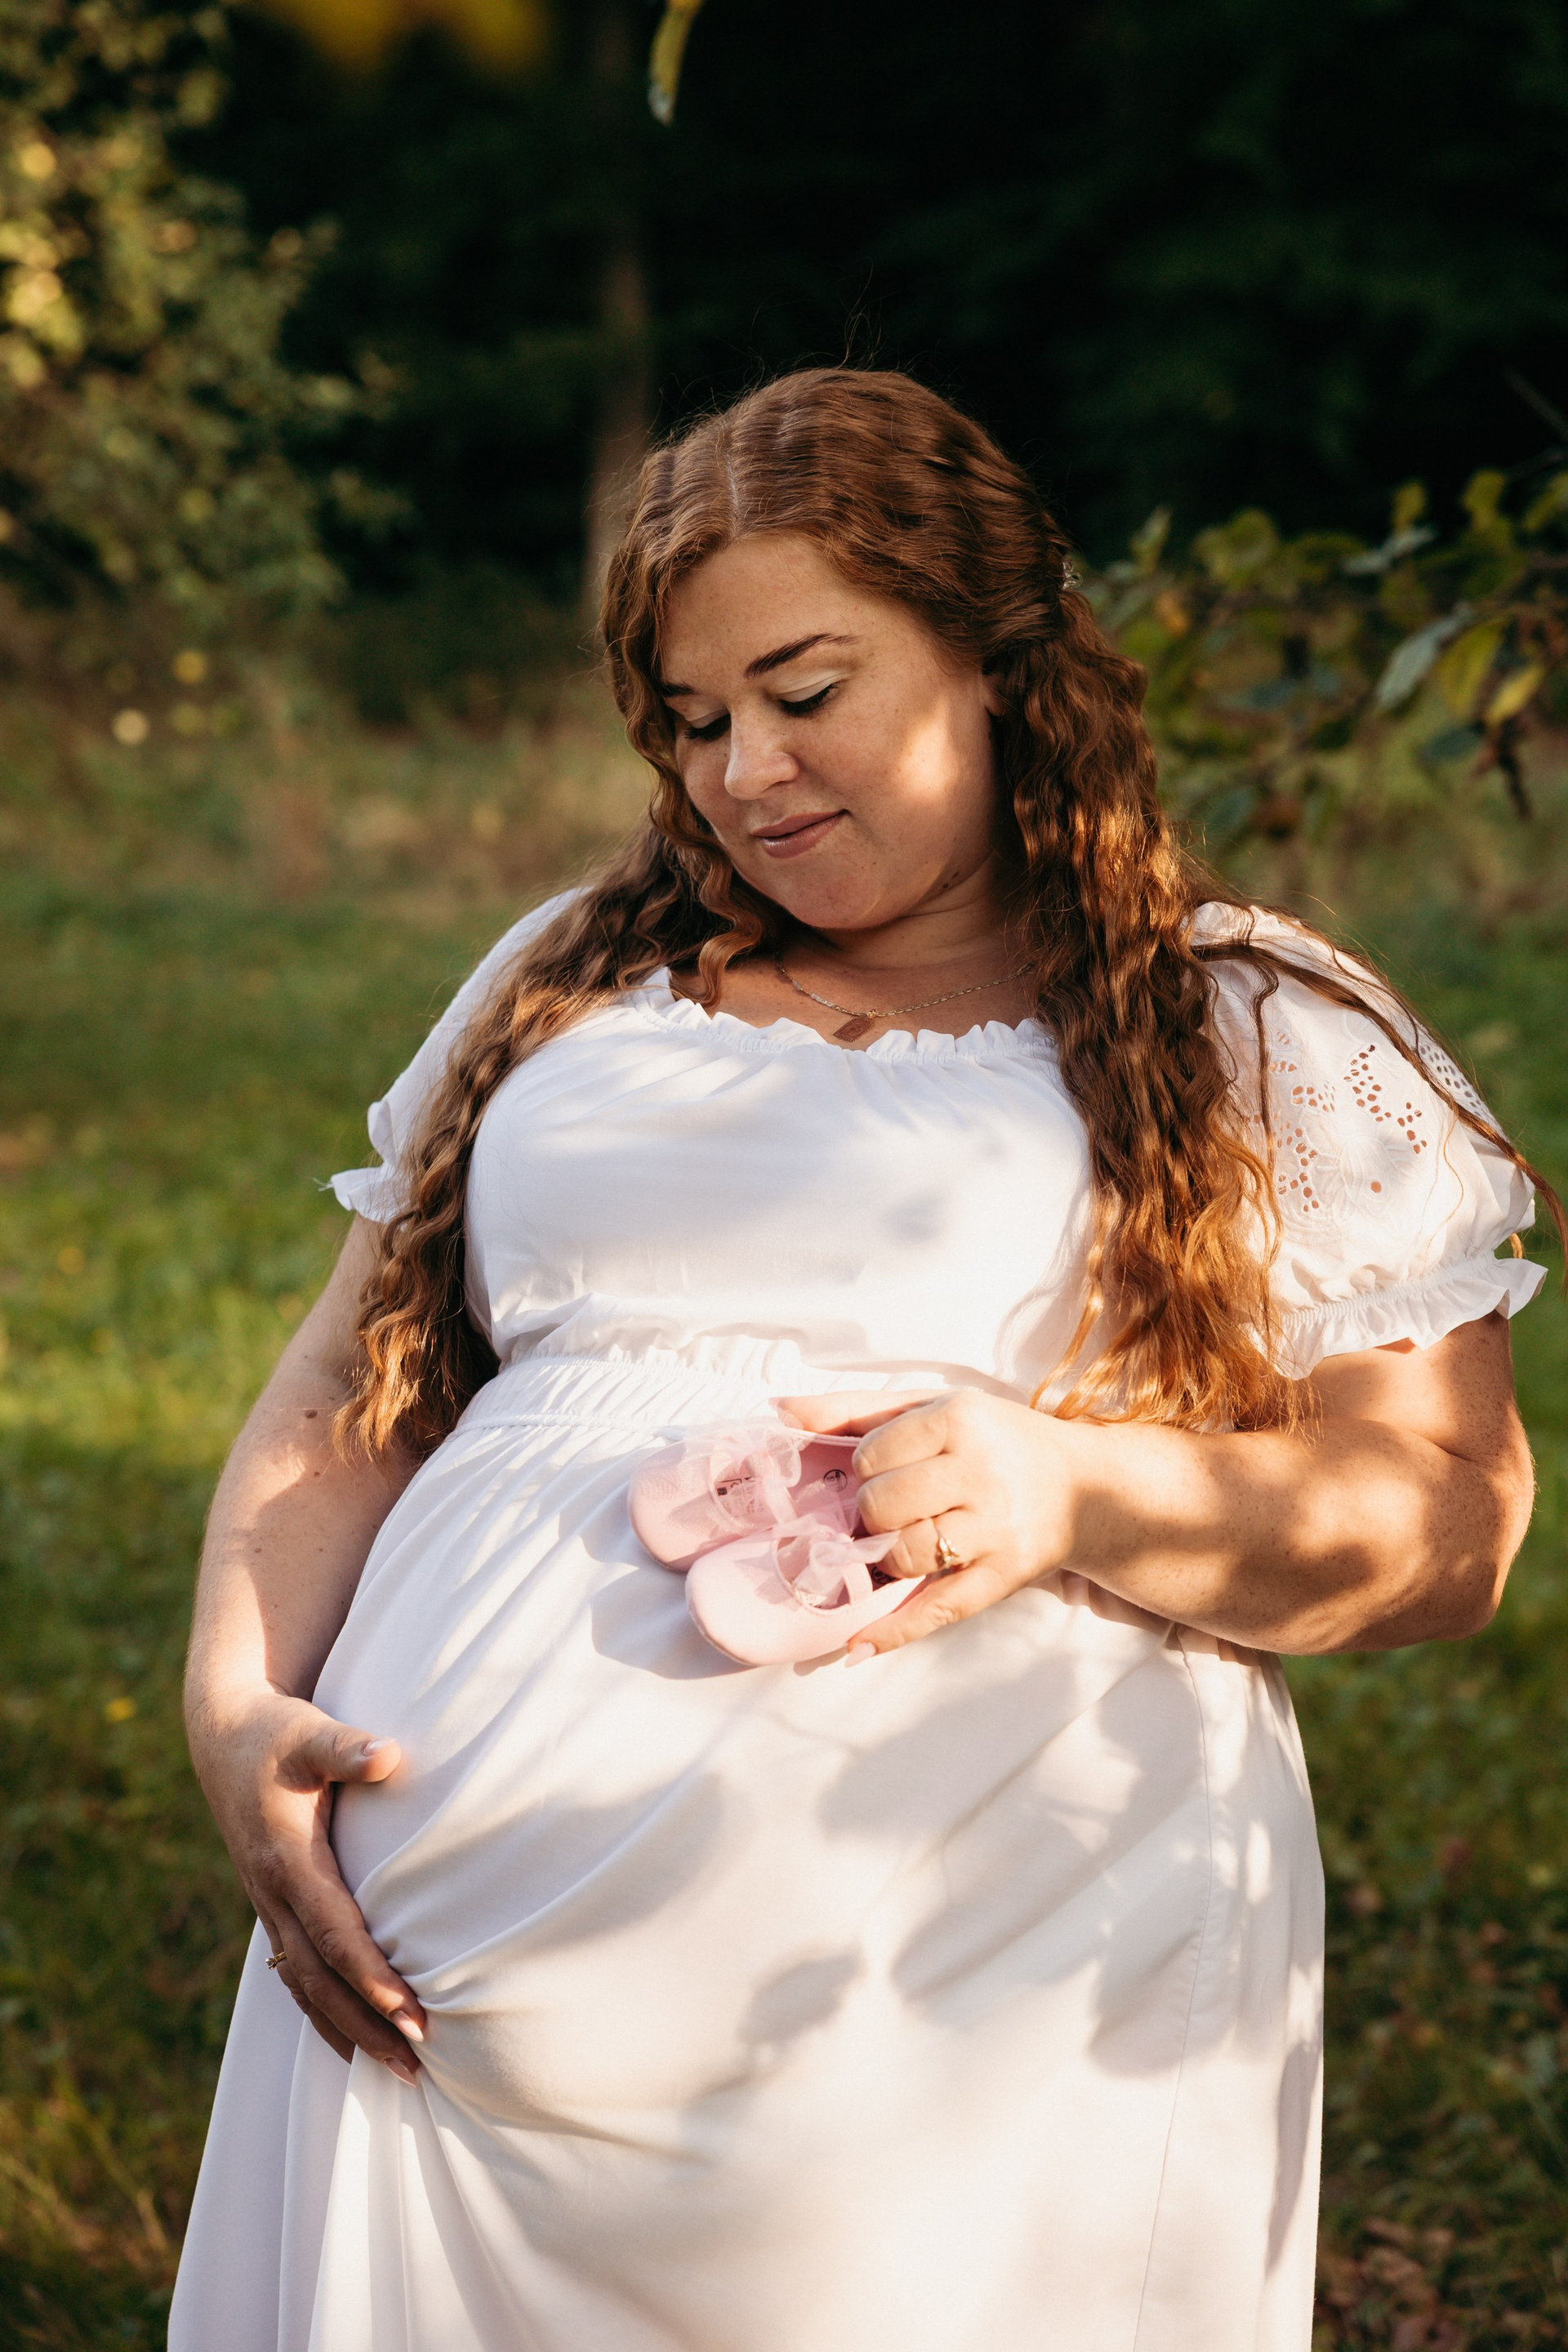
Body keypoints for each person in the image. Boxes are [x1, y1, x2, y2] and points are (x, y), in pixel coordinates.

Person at [170, 368, 1555, 2352]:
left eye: (804, 691)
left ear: (996, 656)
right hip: (438, 2017)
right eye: (692, 719)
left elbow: (1446, 1521)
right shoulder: (573, 973)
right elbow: (347, 1385)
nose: (745, 771)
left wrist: (1078, 1489)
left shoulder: (1242, 1026)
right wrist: (235, 1700)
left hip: (975, 2012)